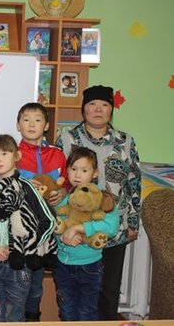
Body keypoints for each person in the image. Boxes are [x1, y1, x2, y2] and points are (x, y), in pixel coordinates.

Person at [55, 85, 141, 320]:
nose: (98, 110)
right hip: (73, 228)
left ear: (111, 110)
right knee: (73, 293)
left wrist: (133, 221)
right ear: (84, 109)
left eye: (104, 105)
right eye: (92, 104)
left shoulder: (125, 141)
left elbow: (134, 181)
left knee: (108, 290)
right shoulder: (66, 139)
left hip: (113, 228)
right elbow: (58, 182)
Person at [0, 134, 54, 322]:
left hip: (18, 265)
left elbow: (49, 221)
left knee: (15, 315)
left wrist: (28, 247)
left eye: (4, 153)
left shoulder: (28, 187)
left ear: (17, 156)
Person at [52, 146, 119, 321]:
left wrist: (78, 228)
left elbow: (110, 227)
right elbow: (56, 223)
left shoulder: (102, 198)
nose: (77, 175)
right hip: (63, 265)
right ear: (67, 171)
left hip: (90, 266)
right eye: (73, 169)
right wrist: (65, 234)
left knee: (87, 312)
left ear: (95, 173)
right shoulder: (66, 198)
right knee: (66, 311)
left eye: (84, 170)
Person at [16, 102, 68, 322]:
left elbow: (70, 183)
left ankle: (32, 319)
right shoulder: (12, 154)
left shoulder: (58, 155)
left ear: (46, 125)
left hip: (49, 234)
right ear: (18, 125)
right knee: (18, 284)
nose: (31, 124)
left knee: (36, 288)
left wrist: (63, 191)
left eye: (37, 120)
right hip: (20, 234)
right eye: (26, 119)